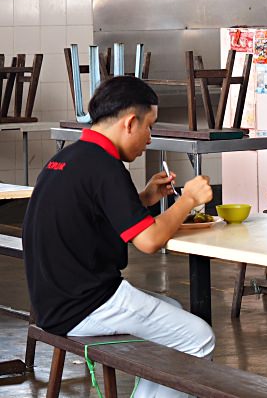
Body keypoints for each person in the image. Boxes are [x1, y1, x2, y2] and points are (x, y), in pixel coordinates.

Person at [23, 76, 215, 398]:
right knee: (198, 338)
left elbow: (93, 216)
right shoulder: (106, 168)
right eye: (149, 127)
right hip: (86, 305)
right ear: (129, 123)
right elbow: (150, 241)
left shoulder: (69, 158)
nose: (149, 138)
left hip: (52, 302)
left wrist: (144, 199)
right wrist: (188, 200)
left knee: (173, 308)